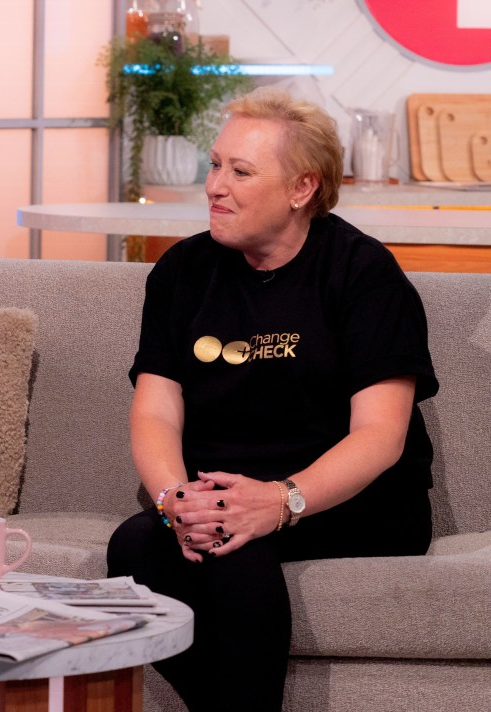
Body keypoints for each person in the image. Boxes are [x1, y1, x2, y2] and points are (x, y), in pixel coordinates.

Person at [106, 88, 437, 712]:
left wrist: (281, 500)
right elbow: (155, 410)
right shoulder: (181, 272)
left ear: (302, 188)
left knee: (239, 548)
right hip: (219, 490)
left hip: (351, 498)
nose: (215, 186)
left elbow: (380, 435)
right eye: (214, 164)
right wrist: (173, 498)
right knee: (134, 546)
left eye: (241, 171)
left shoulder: (362, 273)